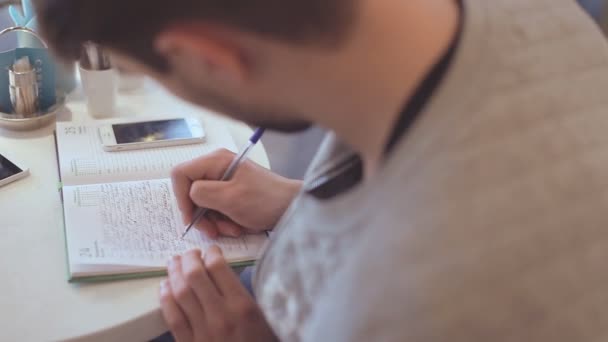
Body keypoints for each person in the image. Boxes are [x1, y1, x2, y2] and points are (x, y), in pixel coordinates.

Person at [34, 0, 608, 340]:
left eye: (157, 75)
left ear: (208, 56)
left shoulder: (389, 311)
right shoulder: (532, 10)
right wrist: (295, 199)